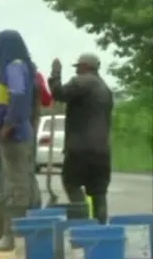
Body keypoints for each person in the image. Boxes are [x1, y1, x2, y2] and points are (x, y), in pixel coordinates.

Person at [0, 68, 51, 244]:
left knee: (10, 187)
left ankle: (9, 235)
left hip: (11, 138)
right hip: (27, 137)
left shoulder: (5, 76)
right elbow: (45, 101)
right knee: (25, 184)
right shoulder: (34, 76)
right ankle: (27, 234)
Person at [0, 30, 36, 251]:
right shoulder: (17, 67)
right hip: (15, 133)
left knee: (17, 187)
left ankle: (12, 237)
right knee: (20, 184)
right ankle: (18, 235)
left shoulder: (14, 67)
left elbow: (18, 99)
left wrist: (8, 125)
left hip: (14, 135)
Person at [48, 53, 113, 224]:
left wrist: (55, 75)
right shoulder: (105, 89)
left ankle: (82, 220)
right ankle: (100, 229)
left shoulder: (82, 81)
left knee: (71, 182)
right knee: (98, 191)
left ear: (85, 67)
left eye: (78, 67)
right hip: (102, 150)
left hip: (80, 148)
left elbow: (59, 93)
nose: (76, 71)